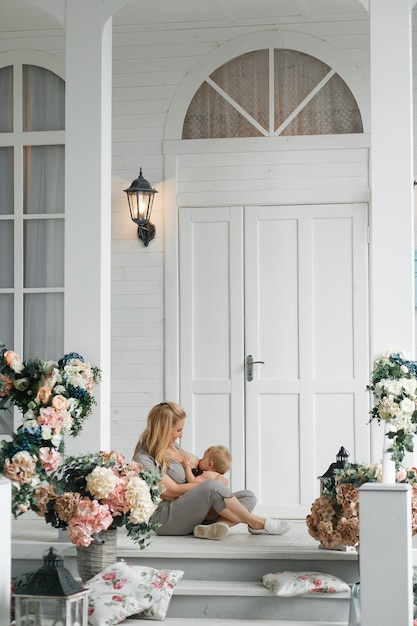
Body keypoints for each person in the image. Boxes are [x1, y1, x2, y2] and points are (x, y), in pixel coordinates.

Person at [132, 401, 291, 540]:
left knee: (248, 497)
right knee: (213, 487)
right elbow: (171, 491)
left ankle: (213, 529)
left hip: (192, 512)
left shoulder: (175, 447)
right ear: (163, 428)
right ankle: (257, 522)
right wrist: (212, 484)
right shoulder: (144, 458)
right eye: (178, 430)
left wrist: (211, 475)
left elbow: (193, 479)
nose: (181, 435)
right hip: (166, 518)